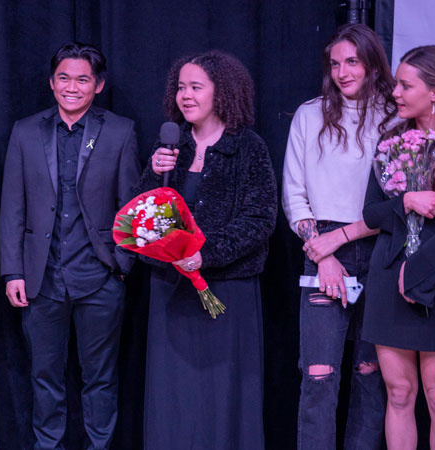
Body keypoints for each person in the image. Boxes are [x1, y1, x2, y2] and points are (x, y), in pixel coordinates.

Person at [0, 41, 141, 450]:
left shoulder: (120, 131)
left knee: (100, 379)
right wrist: (13, 271)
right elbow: (12, 207)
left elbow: (130, 205)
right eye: (64, 77)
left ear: (98, 86)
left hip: (99, 278)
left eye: (82, 79)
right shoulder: (26, 131)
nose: (72, 86)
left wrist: (121, 267)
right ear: (51, 82)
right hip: (41, 278)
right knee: (45, 378)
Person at [139, 49, 277, 449]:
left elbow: (259, 219)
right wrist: (153, 171)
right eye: (181, 87)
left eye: (196, 87)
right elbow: (143, 213)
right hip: (171, 289)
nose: (185, 95)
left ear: (222, 92)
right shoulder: (170, 146)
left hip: (226, 292)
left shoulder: (248, 148)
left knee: (223, 396)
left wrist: (207, 253)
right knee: (175, 398)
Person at [281, 23, 397, 449]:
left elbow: (397, 200)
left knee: (371, 376)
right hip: (322, 246)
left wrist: (343, 241)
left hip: (381, 247)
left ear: (371, 64)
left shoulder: (395, 116)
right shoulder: (310, 115)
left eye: (352, 61)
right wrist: (323, 253)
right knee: (319, 374)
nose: (343, 71)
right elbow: (294, 195)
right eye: (335, 63)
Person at [362, 45, 435, 450]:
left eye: (405, 85)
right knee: (398, 393)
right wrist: (406, 201)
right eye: (396, 83)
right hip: (388, 277)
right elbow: (372, 214)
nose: (395, 92)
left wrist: (420, 268)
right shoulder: (391, 140)